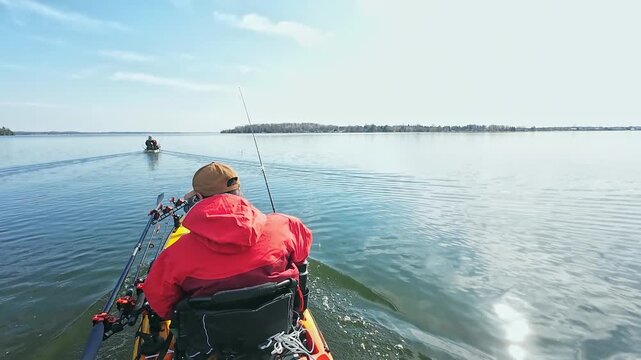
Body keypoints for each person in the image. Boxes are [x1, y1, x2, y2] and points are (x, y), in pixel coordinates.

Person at [143, 162, 313, 319]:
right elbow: (300, 260)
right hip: (277, 323)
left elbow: (162, 306)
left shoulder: (173, 256)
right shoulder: (288, 225)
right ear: (238, 191)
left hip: (207, 340)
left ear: (199, 198)